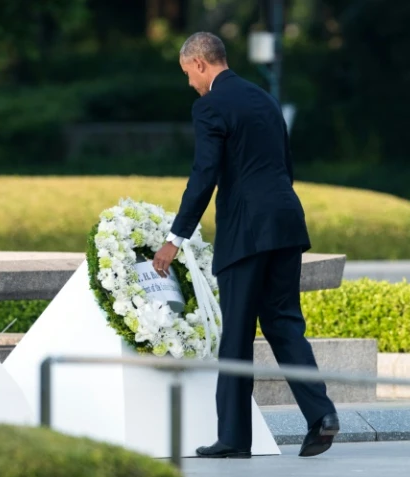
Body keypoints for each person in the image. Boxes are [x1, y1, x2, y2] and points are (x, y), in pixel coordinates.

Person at [152, 32, 339, 458]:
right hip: (287, 223)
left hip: (246, 233)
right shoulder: (264, 98)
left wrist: (173, 239)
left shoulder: (210, 106)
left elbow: (204, 176)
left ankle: (234, 439)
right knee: (285, 323)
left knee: (236, 333)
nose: (189, 85)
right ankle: (322, 415)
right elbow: (285, 165)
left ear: (199, 63)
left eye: (188, 74)